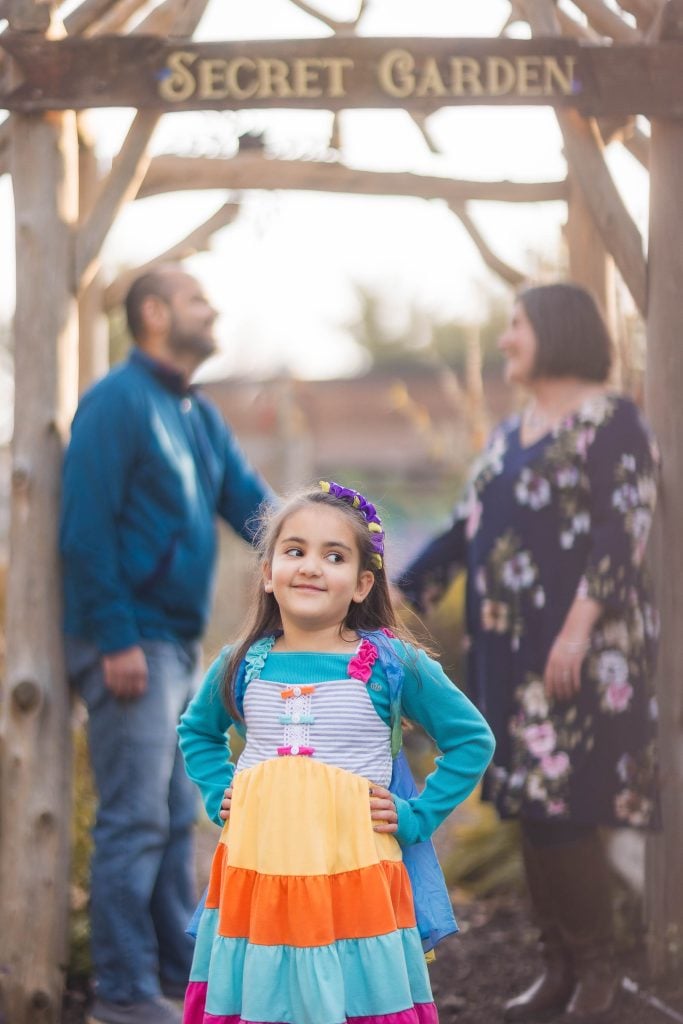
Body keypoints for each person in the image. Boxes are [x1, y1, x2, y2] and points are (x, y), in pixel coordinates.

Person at [397, 283, 660, 1023]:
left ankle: (599, 977)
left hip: (578, 651)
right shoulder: (508, 434)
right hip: (508, 655)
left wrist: (576, 629)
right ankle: (558, 969)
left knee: (565, 809)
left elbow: (622, 527)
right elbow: (460, 531)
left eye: (515, 326)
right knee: (527, 806)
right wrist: (380, 595)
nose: (506, 340)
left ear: (554, 331)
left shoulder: (611, 421)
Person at [177, 481, 495, 1024]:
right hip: (259, 874)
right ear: (267, 572)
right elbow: (197, 732)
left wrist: (418, 816)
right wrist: (218, 792)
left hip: (355, 877)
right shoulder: (241, 663)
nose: (310, 567)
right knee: (262, 997)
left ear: (361, 583)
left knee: (353, 999)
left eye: (334, 556)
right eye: (294, 551)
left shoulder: (393, 664)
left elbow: (472, 739)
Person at [60, 265, 275, 1024]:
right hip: (128, 645)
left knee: (178, 812)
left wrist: (327, 535)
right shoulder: (116, 404)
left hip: (177, 648)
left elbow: (255, 507)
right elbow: (83, 529)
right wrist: (116, 638)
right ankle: (120, 995)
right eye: (195, 299)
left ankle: (182, 978)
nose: (211, 308)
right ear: (154, 313)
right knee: (135, 819)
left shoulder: (198, 416)